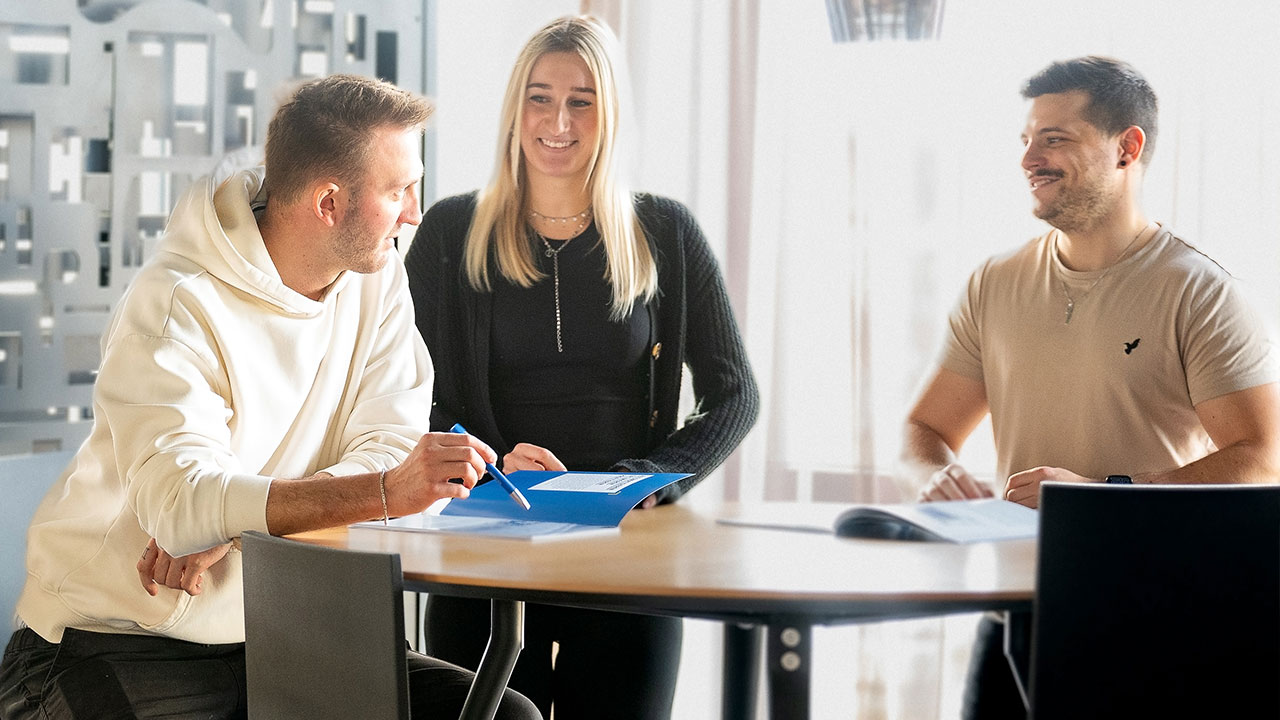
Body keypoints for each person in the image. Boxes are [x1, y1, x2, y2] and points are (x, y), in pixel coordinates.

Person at [0, 74, 540, 720]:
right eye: (397, 190)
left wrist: (235, 525)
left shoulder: (378, 277)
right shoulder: (176, 304)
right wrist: (377, 493)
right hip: (118, 636)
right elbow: (180, 504)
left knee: (508, 715)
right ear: (328, 203)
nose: (414, 212)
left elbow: (391, 442)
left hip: (286, 628)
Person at [902, 56, 1280, 719]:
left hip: (1148, 614)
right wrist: (936, 475)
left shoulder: (1201, 292)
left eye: (1054, 139)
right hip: (1013, 609)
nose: (1029, 159)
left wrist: (1103, 498)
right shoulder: (993, 282)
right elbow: (925, 430)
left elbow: (1262, 458)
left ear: (1127, 148)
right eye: (1026, 139)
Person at [404, 15, 759, 720]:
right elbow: (402, 389)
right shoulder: (449, 230)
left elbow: (735, 394)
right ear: (516, 110)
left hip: (626, 551)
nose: (558, 122)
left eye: (582, 101)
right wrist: (488, 461)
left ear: (610, 113)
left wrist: (650, 479)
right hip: (486, 540)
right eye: (540, 98)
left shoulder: (666, 231)